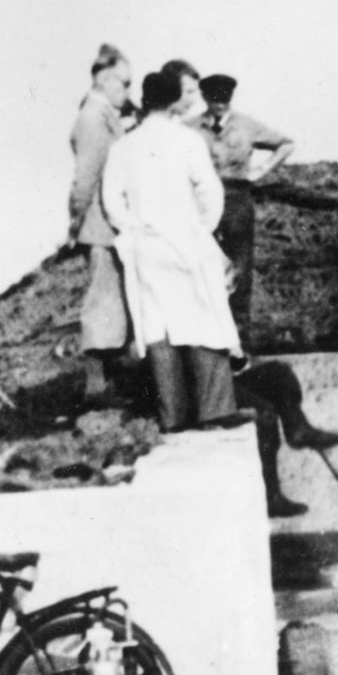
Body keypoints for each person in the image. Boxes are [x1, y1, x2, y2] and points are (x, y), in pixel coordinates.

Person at [101, 70, 242, 432]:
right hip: (185, 241)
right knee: (203, 317)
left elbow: (111, 200)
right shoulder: (187, 140)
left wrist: (131, 229)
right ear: (174, 99)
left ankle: (173, 417)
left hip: (147, 245)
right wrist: (202, 228)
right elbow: (211, 192)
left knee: (159, 326)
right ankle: (216, 411)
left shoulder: (123, 146)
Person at [199, 73, 297, 330]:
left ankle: (240, 338)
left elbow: (286, 144)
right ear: (204, 97)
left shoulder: (247, 124)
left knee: (240, 267)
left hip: (236, 199)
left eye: (225, 98)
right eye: (214, 98)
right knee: (201, 266)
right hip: (201, 203)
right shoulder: (189, 127)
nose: (220, 103)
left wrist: (261, 171)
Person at [67, 43, 135, 405]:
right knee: (102, 302)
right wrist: (76, 223)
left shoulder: (103, 115)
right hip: (99, 226)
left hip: (109, 225)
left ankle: (111, 381)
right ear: (105, 80)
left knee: (113, 301)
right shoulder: (93, 118)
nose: (128, 92)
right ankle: (96, 386)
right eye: (124, 84)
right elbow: (85, 179)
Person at [232, 357, 338, 518]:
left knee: (278, 372)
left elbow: (237, 363)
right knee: (264, 411)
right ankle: (271, 497)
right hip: (205, 392)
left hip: (221, 381)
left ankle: (298, 429)